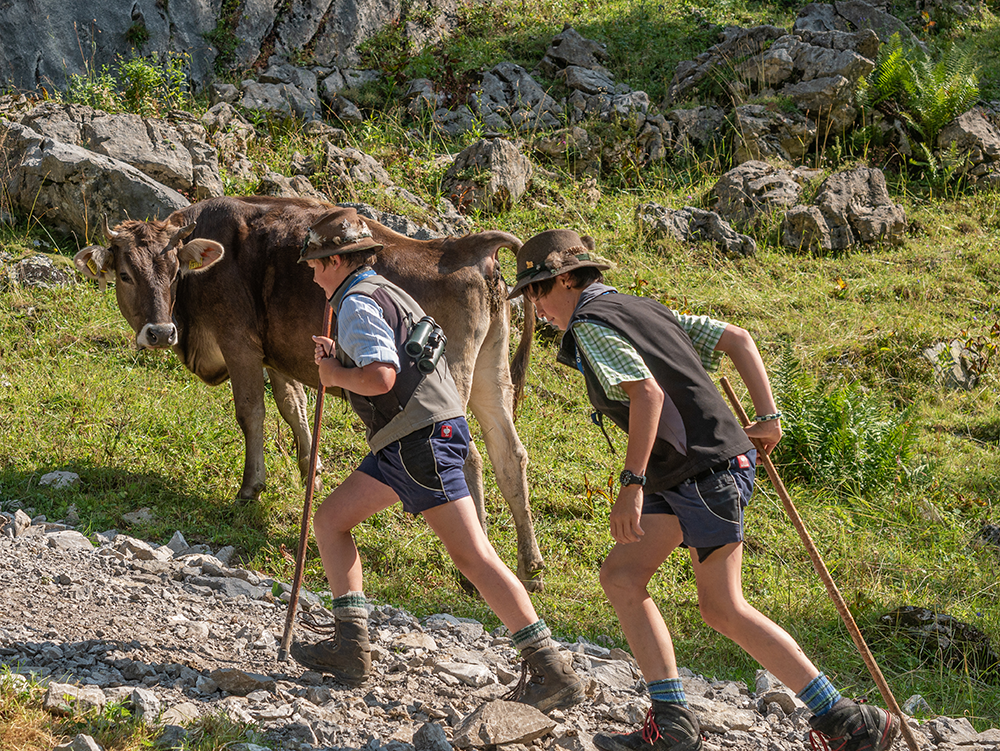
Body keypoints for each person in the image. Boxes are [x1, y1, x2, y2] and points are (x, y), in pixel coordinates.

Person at [508, 229, 899, 751]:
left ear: (562, 280)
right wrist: (768, 417)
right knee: (622, 576)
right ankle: (671, 726)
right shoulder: (646, 309)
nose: (535, 307)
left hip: (703, 472)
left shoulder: (591, 325)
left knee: (723, 608)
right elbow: (737, 338)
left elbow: (645, 394)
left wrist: (631, 484)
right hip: (692, 469)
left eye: (534, 291)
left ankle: (848, 721)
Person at [289, 207, 584, 713]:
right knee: (331, 520)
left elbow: (381, 377)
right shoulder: (385, 290)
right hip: (416, 436)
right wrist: (339, 358)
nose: (313, 273)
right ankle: (350, 648)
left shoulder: (356, 304)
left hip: (417, 440)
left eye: (317, 263)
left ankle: (550, 668)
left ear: (338, 260)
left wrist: (334, 376)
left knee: (474, 556)